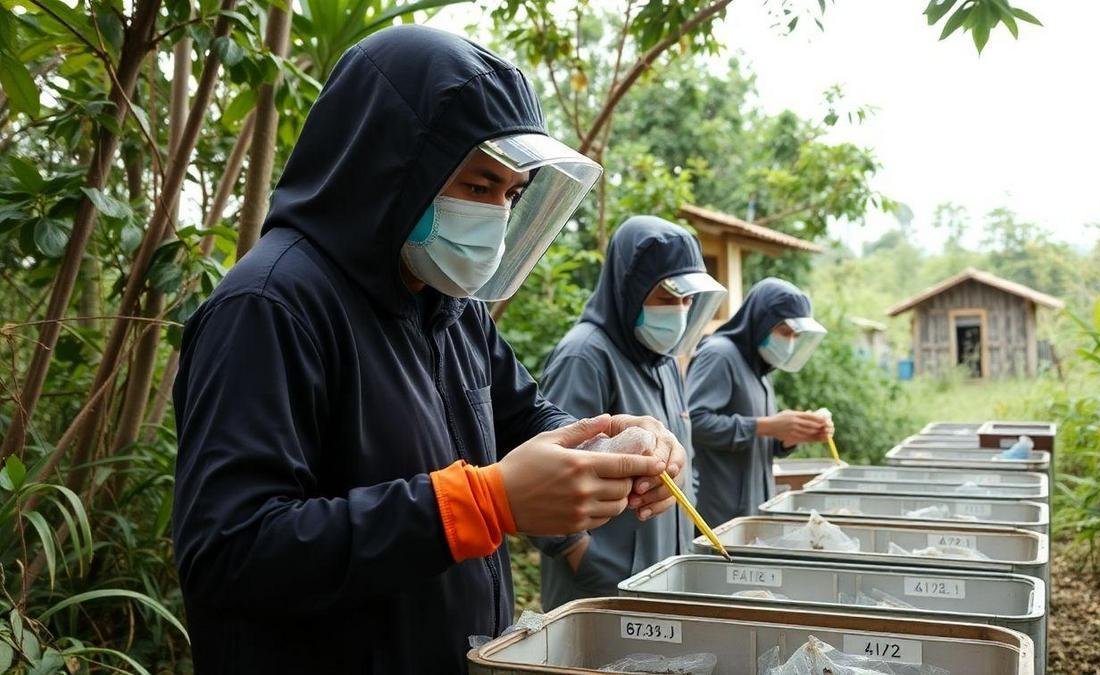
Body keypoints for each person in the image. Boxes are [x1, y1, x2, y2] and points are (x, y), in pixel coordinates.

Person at [171, 26, 687, 674]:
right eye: (478, 186)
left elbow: (525, 415)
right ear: (392, 168)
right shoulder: (271, 305)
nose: (497, 214)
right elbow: (230, 549)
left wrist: (615, 440)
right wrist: (485, 503)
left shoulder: (448, 306)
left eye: (511, 193)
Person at [533, 216, 726, 609]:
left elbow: (683, 453)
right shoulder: (585, 355)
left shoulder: (664, 360)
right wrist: (582, 555)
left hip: (665, 578)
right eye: (667, 298)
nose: (680, 312)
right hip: (601, 589)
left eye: (688, 301)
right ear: (630, 290)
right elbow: (548, 470)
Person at [686, 277, 833, 527]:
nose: (790, 342)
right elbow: (694, 422)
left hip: (752, 510)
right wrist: (764, 426)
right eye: (784, 332)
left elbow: (762, 437)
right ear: (761, 321)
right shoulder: (720, 354)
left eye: (796, 336)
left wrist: (793, 433)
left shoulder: (761, 369)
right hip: (717, 514)